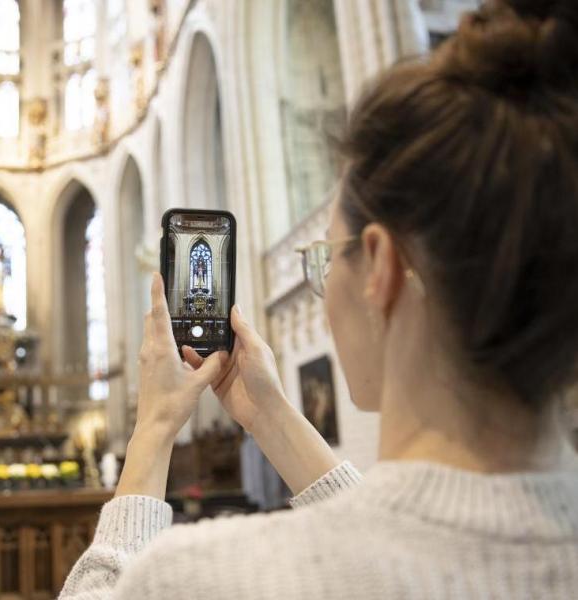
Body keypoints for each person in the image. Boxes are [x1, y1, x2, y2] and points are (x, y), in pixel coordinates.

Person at [59, 0, 578, 598]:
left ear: (380, 267)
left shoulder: (205, 579)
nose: (321, 282)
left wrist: (151, 429)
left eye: (325, 258)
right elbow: (419, 542)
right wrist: (272, 416)